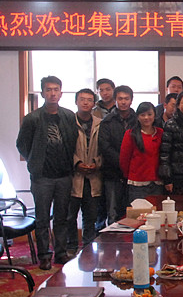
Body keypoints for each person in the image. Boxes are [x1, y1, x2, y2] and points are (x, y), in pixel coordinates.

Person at [16, 75, 77, 270]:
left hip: (64, 175)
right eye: (48, 90)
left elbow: (73, 141)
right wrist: (35, 160)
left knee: (62, 217)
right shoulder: (32, 118)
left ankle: (61, 252)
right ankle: (44, 255)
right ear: (42, 93)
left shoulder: (68, 116)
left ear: (61, 92)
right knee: (42, 218)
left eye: (56, 89)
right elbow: (22, 145)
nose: (52, 93)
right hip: (42, 177)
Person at [66, 88, 103, 257]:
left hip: (94, 176)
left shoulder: (101, 123)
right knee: (70, 215)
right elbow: (63, 148)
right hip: (73, 176)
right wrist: (77, 163)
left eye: (89, 100)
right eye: (82, 99)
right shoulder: (68, 121)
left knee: (91, 215)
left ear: (94, 103)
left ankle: (88, 246)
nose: (85, 103)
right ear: (76, 101)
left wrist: (97, 163)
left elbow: (106, 147)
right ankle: (71, 246)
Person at [98, 85, 137, 225]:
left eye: (126, 98)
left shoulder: (138, 120)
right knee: (113, 213)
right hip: (113, 173)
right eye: (120, 99)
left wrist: (131, 163)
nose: (123, 102)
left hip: (134, 174)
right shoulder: (107, 121)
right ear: (115, 100)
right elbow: (105, 147)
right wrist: (122, 162)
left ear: (131, 100)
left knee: (133, 213)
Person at [119, 102, 164, 201]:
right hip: (137, 183)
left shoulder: (161, 133)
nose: (146, 117)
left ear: (155, 115)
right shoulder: (130, 134)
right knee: (138, 211)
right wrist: (129, 175)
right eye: (142, 115)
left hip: (158, 182)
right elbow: (124, 159)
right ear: (138, 117)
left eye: (149, 114)